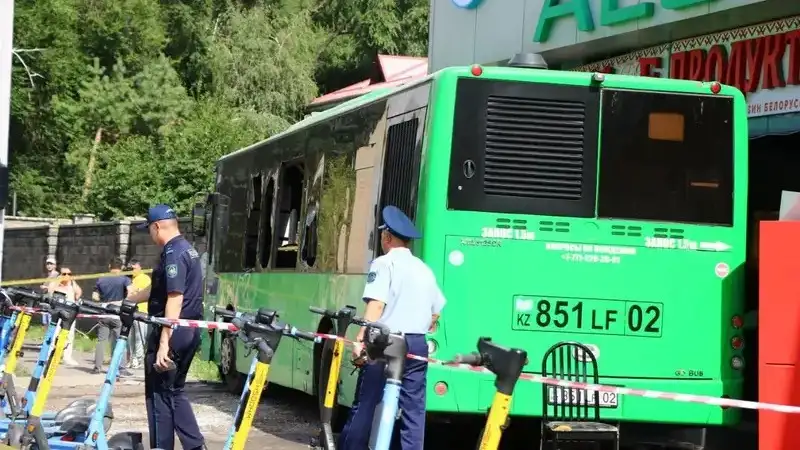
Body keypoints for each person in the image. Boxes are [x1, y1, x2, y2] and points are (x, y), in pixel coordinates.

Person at [338, 205, 447, 450]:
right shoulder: (423, 268)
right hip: (417, 344)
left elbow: (376, 305)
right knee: (413, 409)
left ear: (387, 236)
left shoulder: (383, 263)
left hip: (385, 343)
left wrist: (361, 339)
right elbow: (436, 310)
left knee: (366, 402)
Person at [126, 204, 205, 450]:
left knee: (160, 396)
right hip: (187, 331)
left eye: (149, 229)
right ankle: (194, 446)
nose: (149, 235)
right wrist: (128, 300)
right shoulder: (186, 250)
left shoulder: (173, 253)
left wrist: (163, 344)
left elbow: (174, 297)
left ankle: (169, 446)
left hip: (172, 332)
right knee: (173, 392)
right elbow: (158, 290)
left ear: (157, 226)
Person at [92, 257, 134, 377]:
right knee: (121, 341)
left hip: (104, 313)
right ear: (121, 267)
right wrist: (124, 302)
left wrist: (104, 301)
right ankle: (121, 368)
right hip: (118, 314)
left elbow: (95, 296)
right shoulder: (124, 279)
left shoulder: (101, 279)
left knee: (101, 341)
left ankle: (97, 367)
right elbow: (131, 292)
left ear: (109, 266)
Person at [46, 267, 82, 367]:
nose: (66, 276)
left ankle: (67, 357)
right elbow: (50, 292)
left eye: (69, 274)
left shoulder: (72, 285)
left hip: (69, 314)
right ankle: (48, 354)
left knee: (69, 336)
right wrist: (58, 282)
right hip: (57, 313)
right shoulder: (56, 283)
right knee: (54, 334)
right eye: (64, 274)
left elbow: (78, 293)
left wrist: (72, 281)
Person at [126, 258, 150, 369]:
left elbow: (143, 293)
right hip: (130, 310)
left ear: (139, 267)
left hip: (141, 311)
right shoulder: (128, 278)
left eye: (134, 268)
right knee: (130, 337)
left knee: (140, 337)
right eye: (130, 268)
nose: (132, 270)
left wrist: (134, 290)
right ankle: (131, 358)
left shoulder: (145, 278)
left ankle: (138, 358)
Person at [39, 258, 59, 326]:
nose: (49, 265)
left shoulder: (56, 275)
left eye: (51, 264)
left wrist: (45, 287)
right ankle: (46, 336)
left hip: (51, 299)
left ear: (55, 266)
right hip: (45, 298)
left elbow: (57, 287)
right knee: (45, 321)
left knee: (50, 320)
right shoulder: (48, 275)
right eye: (48, 264)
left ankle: (50, 335)